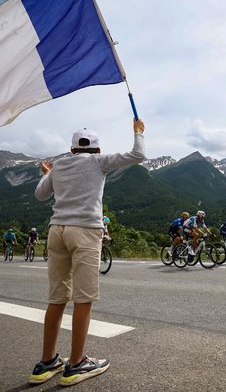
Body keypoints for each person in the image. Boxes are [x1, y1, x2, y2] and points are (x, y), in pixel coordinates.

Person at [31, 119, 145, 386]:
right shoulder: (99, 162)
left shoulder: (58, 166)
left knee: (57, 298)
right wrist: (138, 132)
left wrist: (46, 174)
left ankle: (46, 362)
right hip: (84, 231)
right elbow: (138, 155)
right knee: (83, 298)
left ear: (72, 150)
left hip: (57, 230)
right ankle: (76, 363)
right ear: (97, 150)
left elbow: (40, 195)